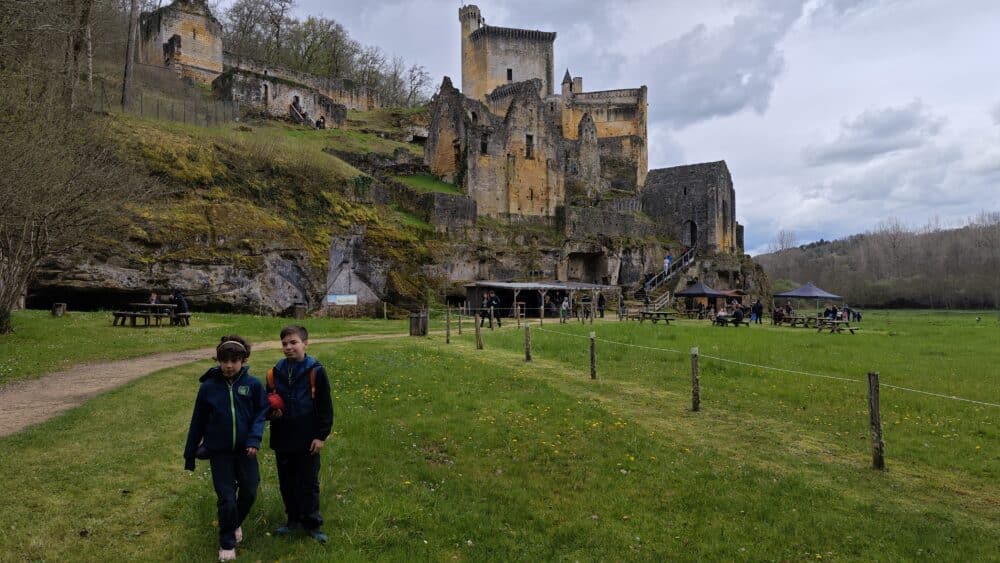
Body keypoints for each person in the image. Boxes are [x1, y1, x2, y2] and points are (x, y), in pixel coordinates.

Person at [184, 336, 268, 562]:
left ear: (244, 360)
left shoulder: (252, 385)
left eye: (234, 360)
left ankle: (233, 523)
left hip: (246, 451)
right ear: (218, 360)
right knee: (226, 498)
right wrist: (189, 454)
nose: (229, 365)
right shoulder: (208, 388)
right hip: (219, 453)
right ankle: (227, 542)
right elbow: (198, 421)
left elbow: (261, 413)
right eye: (224, 360)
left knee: (249, 491)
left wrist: (254, 439)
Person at [269, 325, 334, 544]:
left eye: (293, 342)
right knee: (287, 482)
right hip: (283, 437)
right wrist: (272, 412)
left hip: (308, 439)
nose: (288, 347)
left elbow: (325, 407)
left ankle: (312, 524)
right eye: (285, 344)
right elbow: (267, 404)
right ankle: (293, 520)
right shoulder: (274, 372)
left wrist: (321, 436)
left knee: (308, 482)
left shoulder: (316, 370)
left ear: (305, 343)